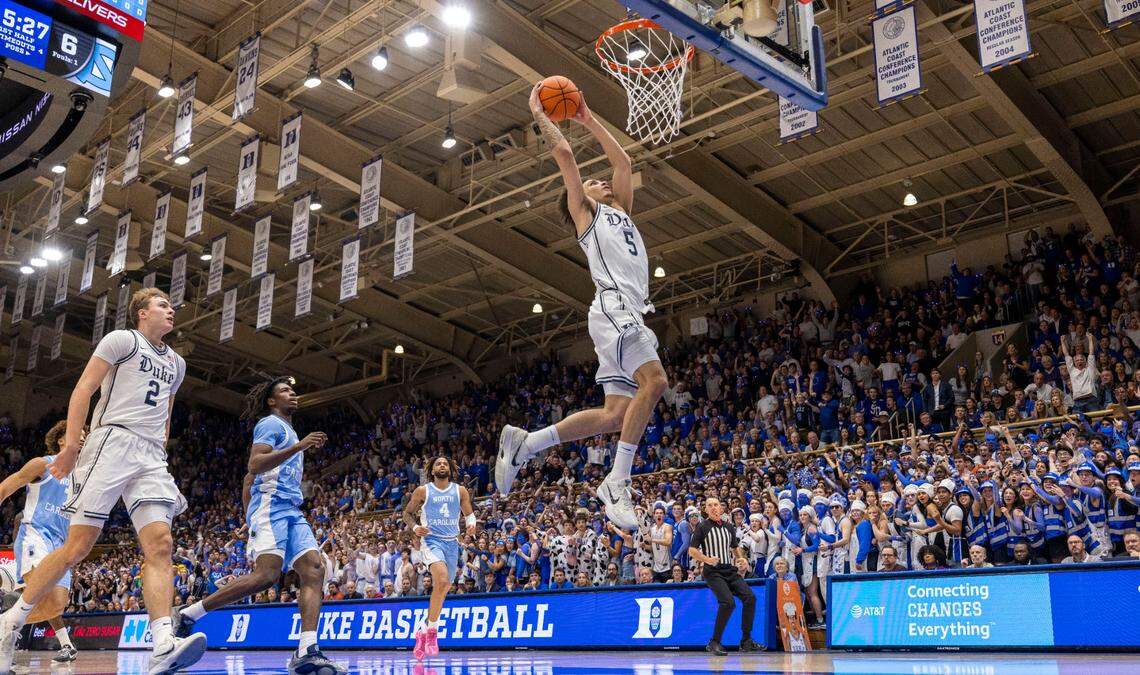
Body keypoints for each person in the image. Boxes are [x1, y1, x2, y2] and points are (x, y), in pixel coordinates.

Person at [0, 288, 207, 675]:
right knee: (78, 546)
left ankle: (162, 640)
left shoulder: (177, 363)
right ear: (142, 313)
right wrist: (72, 446)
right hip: (112, 441)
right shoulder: (122, 340)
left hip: (149, 454)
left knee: (161, 544)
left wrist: (160, 445)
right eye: (163, 304)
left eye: (171, 305)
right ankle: (11, 619)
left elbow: (166, 411)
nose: (171, 309)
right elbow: (84, 389)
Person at [496, 81, 669, 531]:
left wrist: (587, 115)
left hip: (625, 311)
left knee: (615, 415)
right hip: (615, 307)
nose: (600, 180)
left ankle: (527, 444)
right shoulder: (586, 214)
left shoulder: (622, 213)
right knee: (655, 381)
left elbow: (624, 161)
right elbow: (567, 159)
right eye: (592, 183)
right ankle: (617, 481)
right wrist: (541, 113)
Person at [173, 376, 344, 675]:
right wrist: (251, 513)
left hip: (291, 510)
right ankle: (188, 614)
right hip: (271, 506)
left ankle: (307, 650)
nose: (293, 394)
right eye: (285, 391)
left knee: (315, 569)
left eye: (293, 390)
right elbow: (254, 467)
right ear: (271, 400)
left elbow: (248, 479)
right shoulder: (270, 424)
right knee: (267, 575)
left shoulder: (288, 430)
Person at [0, 421, 80, 663]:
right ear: (61, 440)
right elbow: (5, 488)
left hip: (63, 545)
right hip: (37, 535)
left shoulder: (84, 477)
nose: (84, 437)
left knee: (55, 606)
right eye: (79, 432)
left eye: (87, 434)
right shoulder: (43, 464)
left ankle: (6, 623)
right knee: (38, 593)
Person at [402, 456, 476, 660]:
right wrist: (416, 527)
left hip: (452, 542)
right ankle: (433, 632)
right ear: (432, 471)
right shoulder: (422, 491)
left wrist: (472, 524)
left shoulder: (460, 490)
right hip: (431, 541)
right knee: (441, 580)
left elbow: (469, 514)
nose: (442, 465)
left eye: (445, 463)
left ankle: (423, 630)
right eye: (438, 464)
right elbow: (406, 514)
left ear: (450, 470)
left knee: (443, 588)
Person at [688, 497, 761, 656]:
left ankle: (746, 641)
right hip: (713, 572)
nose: (714, 508)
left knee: (750, 598)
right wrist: (707, 559)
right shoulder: (701, 527)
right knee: (728, 603)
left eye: (716, 505)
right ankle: (714, 642)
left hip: (729, 570)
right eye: (710, 505)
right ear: (706, 510)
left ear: (721, 508)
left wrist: (741, 558)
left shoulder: (728, 526)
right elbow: (692, 551)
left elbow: (735, 548)